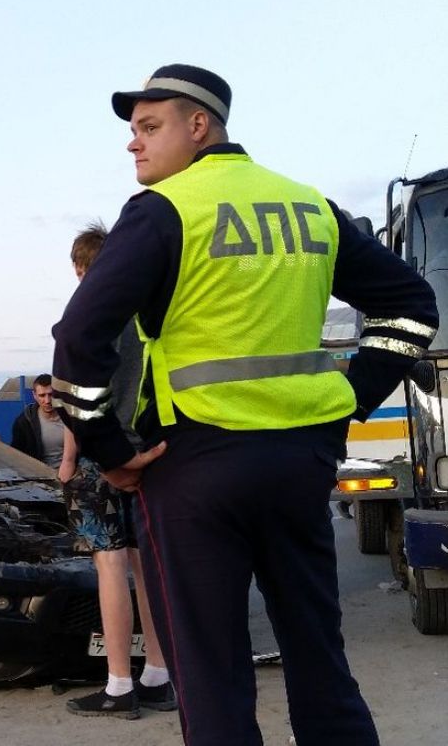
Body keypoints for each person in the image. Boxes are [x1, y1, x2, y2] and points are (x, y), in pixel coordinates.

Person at [51, 63, 437, 745]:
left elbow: (80, 338)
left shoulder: (164, 210)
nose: (133, 144)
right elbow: (411, 307)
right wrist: (349, 399)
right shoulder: (310, 206)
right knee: (320, 659)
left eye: (149, 126)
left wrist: (112, 453)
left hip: (192, 466)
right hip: (299, 460)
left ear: (199, 126)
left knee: (212, 672)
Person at [58, 223, 174, 719]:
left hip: (101, 458)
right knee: (146, 566)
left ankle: (119, 685)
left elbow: (75, 397)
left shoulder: (91, 314)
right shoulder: (145, 316)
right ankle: (159, 675)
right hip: (147, 454)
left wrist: (68, 462)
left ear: (83, 268)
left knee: (109, 567)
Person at [10, 374, 66, 467]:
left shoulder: (71, 418)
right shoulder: (24, 421)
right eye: (42, 395)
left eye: (51, 394)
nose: (47, 400)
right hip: (40, 476)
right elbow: (16, 454)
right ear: (34, 395)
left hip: (72, 475)